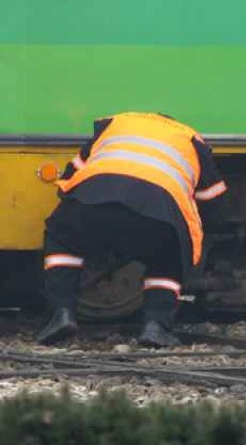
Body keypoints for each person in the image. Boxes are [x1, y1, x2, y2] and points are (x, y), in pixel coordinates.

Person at [36, 112, 227, 347]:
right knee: (168, 258)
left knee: (62, 239)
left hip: (95, 196)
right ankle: (156, 327)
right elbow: (213, 197)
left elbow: (71, 174)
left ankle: (61, 313)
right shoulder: (191, 139)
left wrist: (74, 212)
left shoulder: (115, 125)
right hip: (158, 208)